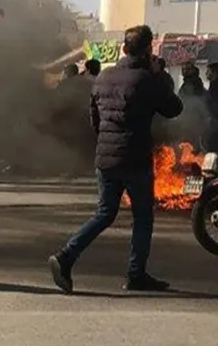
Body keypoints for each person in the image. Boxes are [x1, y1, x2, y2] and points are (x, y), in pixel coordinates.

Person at [48, 25, 183, 295]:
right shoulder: (146, 79)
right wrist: (159, 76)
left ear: (123, 48)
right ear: (147, 50)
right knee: (143, 216)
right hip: (135, 157)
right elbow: (173, 108)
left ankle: (65, 257)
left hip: (106, 157)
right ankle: (136, 273)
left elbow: (94, 120)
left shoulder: (104, 77)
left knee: (104, 213)